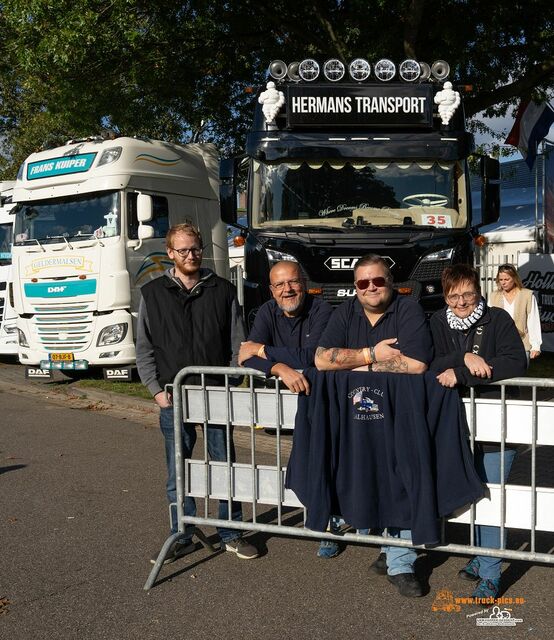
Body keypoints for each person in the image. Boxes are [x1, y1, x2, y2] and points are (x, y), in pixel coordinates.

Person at [136, 222, 259, 564]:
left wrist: (230, 385)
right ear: (170, 253)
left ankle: (231, 532)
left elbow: (238, 344)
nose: (191, 255)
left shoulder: (221, 290)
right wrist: (156, 392)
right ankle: (183, 533)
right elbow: (144, 349)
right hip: (173, 399)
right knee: (180, 469)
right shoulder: (152, 293)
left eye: (196, 249)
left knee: (224, 464)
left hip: (215, 396)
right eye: (183, 250)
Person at [314, 254, 432, 598]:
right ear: (355, 287)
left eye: (378, 280)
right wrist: (372, 355)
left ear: (390, 283)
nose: (371, 288)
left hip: (401, 416)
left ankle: (401, 563)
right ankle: (385, 546)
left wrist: (355, 369)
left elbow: (416, 363)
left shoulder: (407, 310)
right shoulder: (346, 311)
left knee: (401, 481)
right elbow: (321, 359)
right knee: (367, 477)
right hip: (358, 419)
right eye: (363, 283)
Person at [429, 264, 526, 600]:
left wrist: (465, 375)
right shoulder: (438, 322)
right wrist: (463, 358)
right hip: (455, 426)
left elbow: (517, 361)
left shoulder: (497, 319)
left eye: (468, 294)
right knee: (469, 492)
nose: (461, 302)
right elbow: (430, 361)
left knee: (490, 497)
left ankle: (489, 574)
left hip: (496, 425)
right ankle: (481, 555)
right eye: (454, 296)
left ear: (478, 291)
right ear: (445, 296)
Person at [238, 260, 337, 558]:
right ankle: (322, 520)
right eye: (279, 285)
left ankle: (328, 526)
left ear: (304, 284)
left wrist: (265, 351)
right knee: (304, 463)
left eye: (293, 282)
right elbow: (245, 356)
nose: (287, 290)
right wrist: (281, 367)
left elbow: (314, 355)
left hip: (322, 403)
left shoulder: (323, 311)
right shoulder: (267, 312)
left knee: (325, 461)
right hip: (286, 402)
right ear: (271, 290)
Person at [489, 263, 542, 362]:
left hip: (522, 343)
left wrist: (536, 346)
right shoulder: (493, 297)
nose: (503, 283)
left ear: (514, 278)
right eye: (501, 280)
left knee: (519, 375)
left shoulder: (527, 295)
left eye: (506, 279)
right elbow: (490, 322)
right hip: (498, 345)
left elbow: (533, 321)